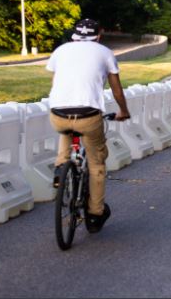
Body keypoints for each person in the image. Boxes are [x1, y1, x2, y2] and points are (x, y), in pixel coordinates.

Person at [47, 18, 130, 233]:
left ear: (74, 34)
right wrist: (124, 111)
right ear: (98, 36)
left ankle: (60, 168)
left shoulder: (61, 51)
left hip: (57, 112)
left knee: (66, 128)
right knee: (96, 164)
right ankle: (95, 213)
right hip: (89, 115)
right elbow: (117, 90)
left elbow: (56, 82)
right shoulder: (105, 53)